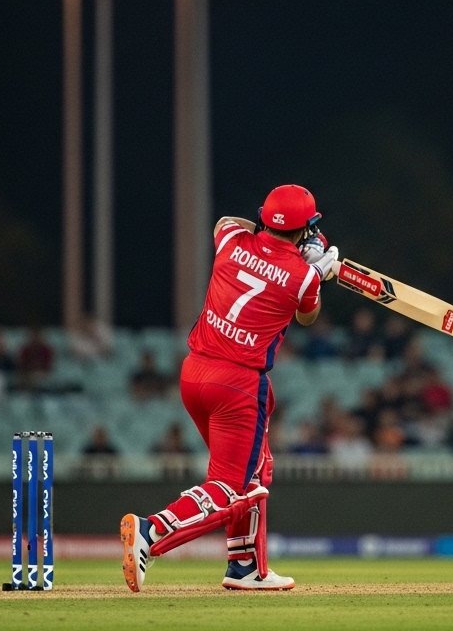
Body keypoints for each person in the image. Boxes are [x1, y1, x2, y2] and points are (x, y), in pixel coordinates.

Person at [119, 185, 337, 593]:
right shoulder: (303, 277)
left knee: (255, 473)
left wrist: (291, 249)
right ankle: (152, 531)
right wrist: (316, 269)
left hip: (194, 374)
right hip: (238, 385)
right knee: (231, 487)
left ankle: (246, 567)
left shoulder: (233, 240)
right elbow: (308, 317)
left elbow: (226, 222)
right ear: (306, 227)